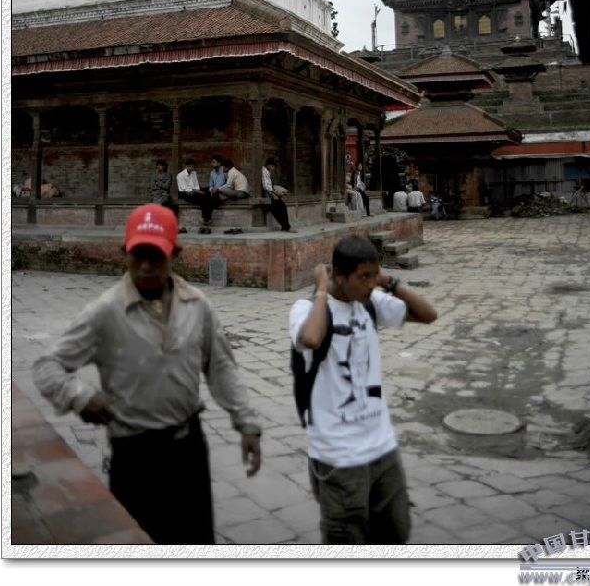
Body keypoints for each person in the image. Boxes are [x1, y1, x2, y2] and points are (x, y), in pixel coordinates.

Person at [32, 203, 262, 545]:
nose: (145, 266)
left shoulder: (197, 306)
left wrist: (247, 423)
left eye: (156, 256)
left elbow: (222, 368)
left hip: (188, 449)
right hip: (134, 454)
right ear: (124, 252)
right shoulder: (105, 311)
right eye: (138, 255)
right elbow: (46, 367)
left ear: (175, 254)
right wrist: (79, 396)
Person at [289, 235, 437, 544]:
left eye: (374, 275)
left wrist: (389, 282)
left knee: (395, 534)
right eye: (363, 277)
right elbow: (311, 339)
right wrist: (321, 291)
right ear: (340, 275)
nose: (370, 284)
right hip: (339, 457)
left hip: (382, 449)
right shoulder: (306, 309)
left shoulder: (370, 303)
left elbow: (428, 315)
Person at [261, 157, 296, 233]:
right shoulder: (264, 172)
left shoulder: (266, 171)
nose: (273, 168)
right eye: (272, 166)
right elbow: (266, 186)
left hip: (268, 196)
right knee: (281, 206)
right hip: (266, 196)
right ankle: (287, 227)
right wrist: (276, 192)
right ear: (268, 165)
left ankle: (285, 226)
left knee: (276, 209)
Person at [176, 158, 214, 223]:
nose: (191, 168)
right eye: (189, 166)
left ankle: (206, 218)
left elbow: (196, 185)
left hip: (195, 190)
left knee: (208, 191)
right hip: (185, 193)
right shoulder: (180, 175)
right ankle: (206, 218)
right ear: (186, 166)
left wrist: (198, 190)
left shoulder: (194, 173)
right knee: (204, 197)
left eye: (192, 166)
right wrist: (197, 191)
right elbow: (182, 188)